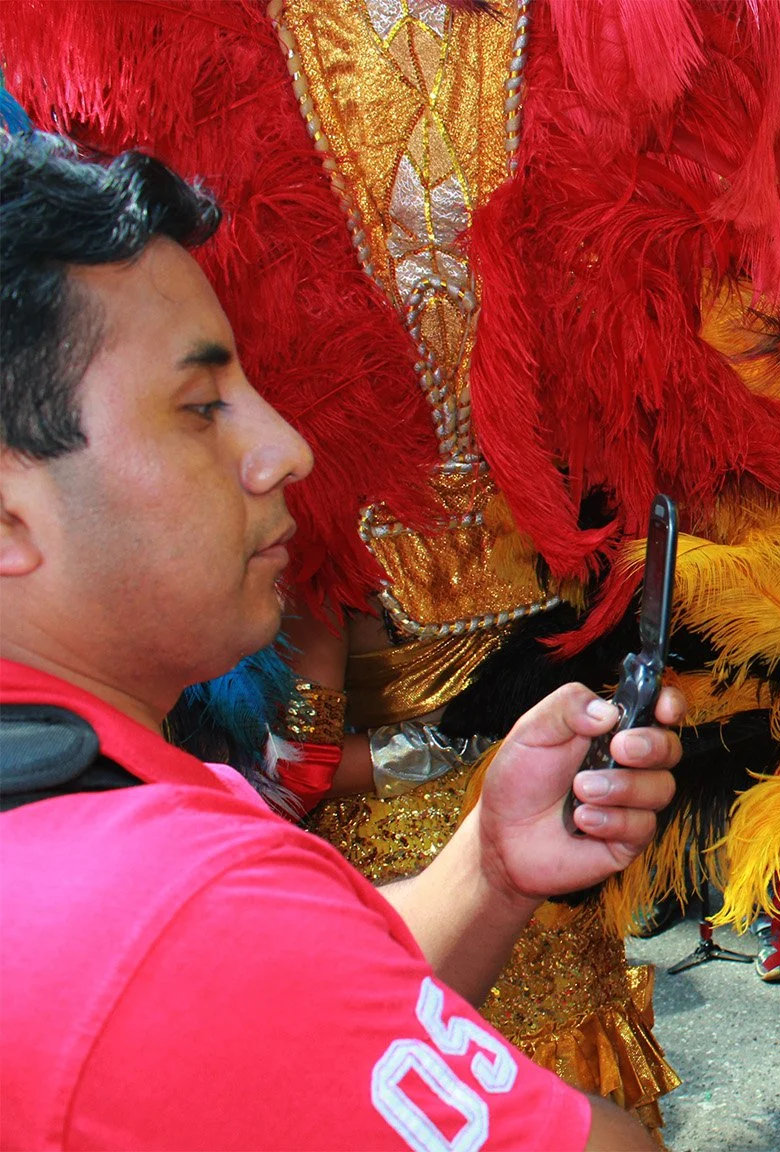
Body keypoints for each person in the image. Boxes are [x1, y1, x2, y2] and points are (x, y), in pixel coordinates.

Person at [0, 132, 685, 1150]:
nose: (285, 449)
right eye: (200, 408)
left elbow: (287, 1023)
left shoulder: (99, 822)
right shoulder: (173, 911)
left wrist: (488, 867)